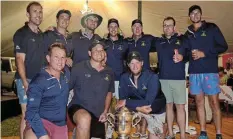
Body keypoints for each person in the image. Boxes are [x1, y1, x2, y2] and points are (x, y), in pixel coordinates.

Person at [185, 5, 228, 139]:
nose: (195, 15)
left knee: (214, 103)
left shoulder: (211, 27)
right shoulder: (187, 34)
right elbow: (186, 53)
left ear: (201, 14)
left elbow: (223, 46)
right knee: (199, 102)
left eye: (197, 12)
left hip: (210, 72)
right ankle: (203, 132)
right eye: (192, 13)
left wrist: (204, 53)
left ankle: (219, 133)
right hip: (194, 73)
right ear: (189, 16)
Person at [68, 40, 114, 139]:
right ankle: (81, 127)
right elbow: (66, 88)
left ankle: (80, 131)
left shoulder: (109, 71)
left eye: (101, 50)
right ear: (89, 53)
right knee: (85, 119)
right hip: (78, 108)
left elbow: (109, 92)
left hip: (97, 114)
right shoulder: (79, 68)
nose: (99, 52)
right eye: (96, 50)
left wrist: (105, 111)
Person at [24, 43, 70, 139]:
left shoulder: (66, 75)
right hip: (42, 122)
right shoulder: (39, 81)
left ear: (66, 60)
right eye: (56, 57)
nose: (60, 61)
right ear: (48, 58)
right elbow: (31, 112)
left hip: (61, 125)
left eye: (63, 57)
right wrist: (42, 135)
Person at [116, 51, 166, 139]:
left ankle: (159, 130)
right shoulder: (124, 77)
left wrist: (127, 102)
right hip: (137, 108)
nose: (135, 66)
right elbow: (121, 101)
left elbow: (148, 102)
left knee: (154, 137)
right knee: (121, 113)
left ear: (142, 63)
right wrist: (137, 108)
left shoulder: (152, 77)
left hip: (154, 110)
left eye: (137, 63)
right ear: (128, 64)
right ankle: (126, 134)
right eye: (132, 63)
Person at [13, 2, 44, 138]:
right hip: (26, 80)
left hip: (40, 81)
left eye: (40, 11)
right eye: (35, 11)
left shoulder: (42, 34)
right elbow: (19, 59)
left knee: (39, 114)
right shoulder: (21, 34)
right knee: (27, 114)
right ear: (28, 14)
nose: (38, 14)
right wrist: (25, 83)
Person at [154, 17, 187, 139]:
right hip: (163, 79)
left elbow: (189, 54)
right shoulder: (158, 41)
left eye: (169, 25)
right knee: (168, 106)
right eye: (165, 25)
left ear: (174, 27)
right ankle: (171, 134)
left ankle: (183, 135)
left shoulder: (182, 40)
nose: (167, 27)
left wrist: (183, 57)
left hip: (178, 79)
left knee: (180, 107)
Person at [103, 18, 128, 99]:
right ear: (108, 28)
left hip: (120, 78)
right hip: (106, 78)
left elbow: (129, 59)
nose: (113, 29)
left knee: (119, 103)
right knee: (106, 104)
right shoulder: (103, 42)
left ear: (118, 28)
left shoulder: (124, 43)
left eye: (115, 27)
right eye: (111, 27)